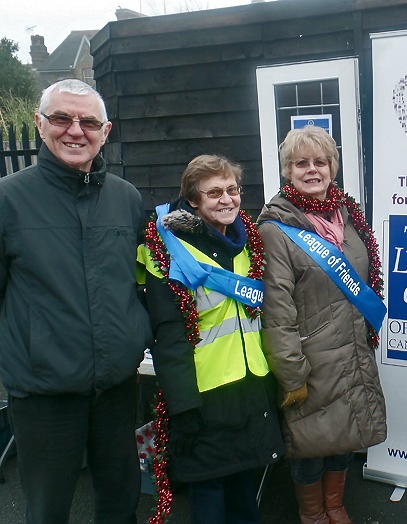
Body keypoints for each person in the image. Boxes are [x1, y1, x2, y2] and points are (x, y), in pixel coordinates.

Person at [0, 79, 152, 523]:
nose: (75, 130)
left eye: (88, 121)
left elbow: (136, 280)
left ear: (106, 131)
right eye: (62, 118)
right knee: (48, 509)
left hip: (115, 387)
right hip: (43, 392)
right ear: (40, 125)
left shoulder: (126, 199)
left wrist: (130, 335)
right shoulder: (0, 201)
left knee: (121, 502)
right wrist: (36, 339)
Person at [137, 154, 285, 523]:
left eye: (232, 190)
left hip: (251, 384)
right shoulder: (169, 253)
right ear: (192, 200)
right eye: (214, 192)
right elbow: (169, 337)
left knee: (243, 486)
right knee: (210, 491)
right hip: (205, 394)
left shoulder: (248, 241)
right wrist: (183, 407)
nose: (226, 199)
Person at [257, 126, 387, 524]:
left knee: (343, 439)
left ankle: (335, 506)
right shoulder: (275, 229)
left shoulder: (347, 216)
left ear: (332, 167)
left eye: (320, 161)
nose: (311, 170)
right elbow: (276, 310)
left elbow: (364, 280)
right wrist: (292, 374)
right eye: (301, 163)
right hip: (310, 357)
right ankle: (312, 514)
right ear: (287, 170)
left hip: (350, 350)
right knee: (310, 446)